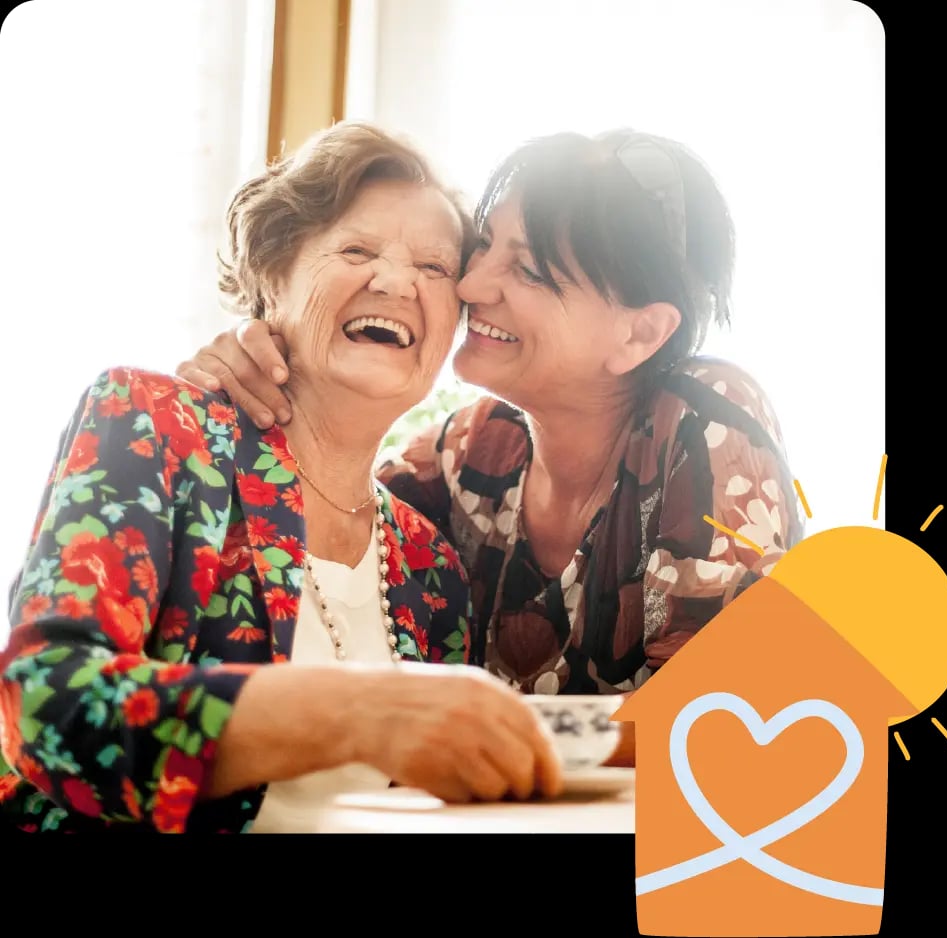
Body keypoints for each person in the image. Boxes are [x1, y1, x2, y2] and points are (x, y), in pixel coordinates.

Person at [0, 121, 564, 834]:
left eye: (434, 268)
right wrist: (353, 712)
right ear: (271, 281)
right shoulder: (154, 423)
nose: (393, 281)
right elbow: (45, 705)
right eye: (356, 249)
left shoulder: (433, 564)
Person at [178, 128, 805, 765]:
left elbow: (725, 717)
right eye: (482, 250)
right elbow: (327, 502)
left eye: (527, 270)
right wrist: (266, 348)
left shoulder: (706, 418)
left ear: (640, 334)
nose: (471, 286)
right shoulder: (473, 451)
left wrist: (466, 728)